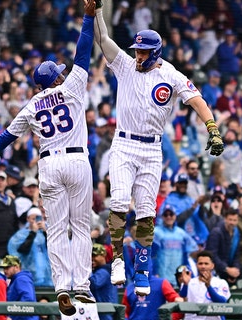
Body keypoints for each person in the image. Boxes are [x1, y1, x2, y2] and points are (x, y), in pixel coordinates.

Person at [0, 0, 98, 315]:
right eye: (59, 73)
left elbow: (6, 137)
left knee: (54, 228)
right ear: (56, 79)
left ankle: (60, 289)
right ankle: (81, 287)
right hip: (76, 160)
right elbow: (83, 52)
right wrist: (87, 17)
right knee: (80, 226)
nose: (62, 74)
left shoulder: (30, 105)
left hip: (48, 164)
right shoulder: (70, 88)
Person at [92, 0, 224, 296]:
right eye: (136, 50)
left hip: (152, 149)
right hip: (124, 143)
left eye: (142, 51)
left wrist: (212, 128)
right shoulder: (125, 65)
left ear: (156, 53)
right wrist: (98, 12)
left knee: (146, 214)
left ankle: (142, 269)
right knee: (118, 203)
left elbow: (197, 100)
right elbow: (103, 40)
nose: (137, 55)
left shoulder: (172, 75)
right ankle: (115, 260)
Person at [179, 251, 230, 320]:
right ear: (196, 265)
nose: (203, 266)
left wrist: (208, 286)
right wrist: (185, 285)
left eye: (206, 264)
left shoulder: (220, 282)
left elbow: (222, 301)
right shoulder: (189, 281)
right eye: (200, 263)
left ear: (212, 266)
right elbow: (182, 297)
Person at [1, 255, 38, 320]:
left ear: (16, 267)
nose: (5, 270)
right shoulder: (15, 280)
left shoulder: (21, 279)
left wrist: (12, 317)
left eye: (7, 268)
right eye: (4, 268)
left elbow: (28, 300)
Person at [90, 244, 118, 320]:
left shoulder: (104, 271)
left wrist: (86, 271)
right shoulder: (100, 270)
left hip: (105, 312)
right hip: (103, 311)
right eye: (90, 256)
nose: (92, 258)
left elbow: (93, 283)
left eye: (95, 255)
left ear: (103, 255)